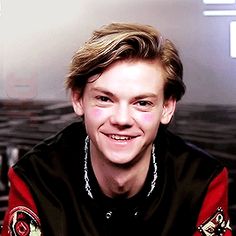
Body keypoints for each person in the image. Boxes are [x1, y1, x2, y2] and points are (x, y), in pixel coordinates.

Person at [2, 22, 232, 236]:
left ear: (167, 108)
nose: (122, 119)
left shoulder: (202, 181)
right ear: (78, 100)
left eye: (142, 103)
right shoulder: (35, 178)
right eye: (104, 99)